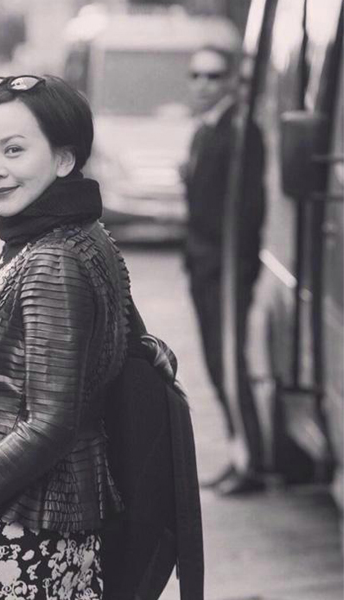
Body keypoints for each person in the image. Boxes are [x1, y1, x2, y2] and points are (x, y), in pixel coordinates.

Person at [0, 74, 132, 599]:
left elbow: (51, 423)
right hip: (45, 519)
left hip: (17, 524)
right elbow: (122, 339)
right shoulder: (78, 234)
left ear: (64, 158)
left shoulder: (51, 259)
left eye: (14, 150)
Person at [182, 42, 266, 496]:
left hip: (226, 268)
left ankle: (251, 461)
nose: (203, 85)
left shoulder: (240, 132)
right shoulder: (205, 130)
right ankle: (240, 453)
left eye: (213, 76)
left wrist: (235, 267)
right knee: (217, 363)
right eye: (196, 76)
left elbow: (249, 209)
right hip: (203, 265)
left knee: (230, 362)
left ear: (231, 81)